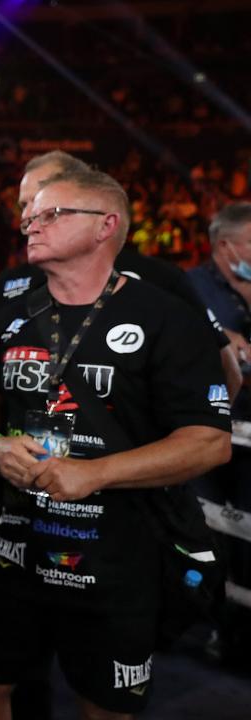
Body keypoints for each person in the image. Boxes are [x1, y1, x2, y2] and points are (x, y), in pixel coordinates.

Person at [0, 151, 237, 720]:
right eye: (30, 214)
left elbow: (210, 440)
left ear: (106, 225)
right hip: (11, 547)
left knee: (104, 706)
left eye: (52, 213)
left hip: (117, 553)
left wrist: (96, 472)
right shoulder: (11, 308)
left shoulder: (164, 313)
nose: (32, 222)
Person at [186, 201, 251, 663]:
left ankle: (241, 631)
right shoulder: (190, 288)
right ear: (227, 247)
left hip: (250, 438)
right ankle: (210, 625)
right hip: (205, 430)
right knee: (206, 532)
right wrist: (221, 338)